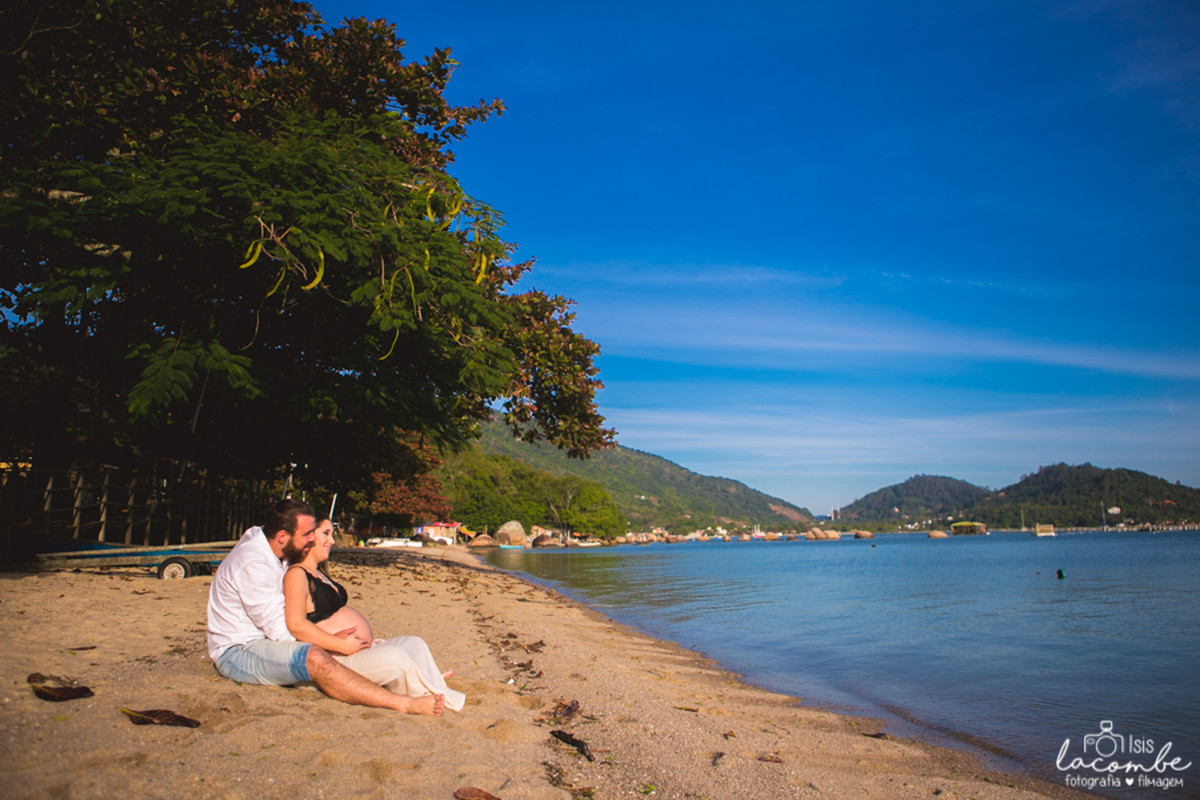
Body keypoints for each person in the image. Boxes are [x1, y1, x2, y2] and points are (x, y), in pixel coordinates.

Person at [206, 498, 444, 715]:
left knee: (332, 654)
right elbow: (281, 631)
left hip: (264, 641)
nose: (313, 539)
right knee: (315, 658)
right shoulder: (253, 565)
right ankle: (402, 703)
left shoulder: (272, 545)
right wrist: (335, 644)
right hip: (239, 652)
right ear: (282, 536)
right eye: (307, 534)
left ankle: (411, 678)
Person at [282, 513, 465, 712]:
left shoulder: (319, 573)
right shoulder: (296, 574)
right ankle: (427, 693)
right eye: (326, 533)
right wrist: (339, 644)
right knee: (396, 658)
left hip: (356, 649)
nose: (332, 541)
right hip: (336, 660)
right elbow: (296, 626)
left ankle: (430, 682)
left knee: (415, 643)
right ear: (309, 536)